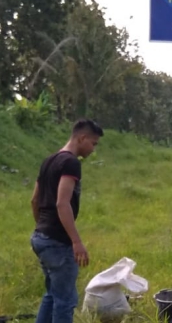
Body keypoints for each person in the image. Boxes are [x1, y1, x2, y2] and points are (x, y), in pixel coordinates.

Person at [30, 119, 104, 323]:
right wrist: (76, 242)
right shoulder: (70, 163)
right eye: (93, 143)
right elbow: (62, 203)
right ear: (82, 138)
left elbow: (34, 200)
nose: (93, 149)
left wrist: (42, 229)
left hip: (40, 238)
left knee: (52, 295)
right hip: (57, 243)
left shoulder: (49, 161)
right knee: (65, 300)